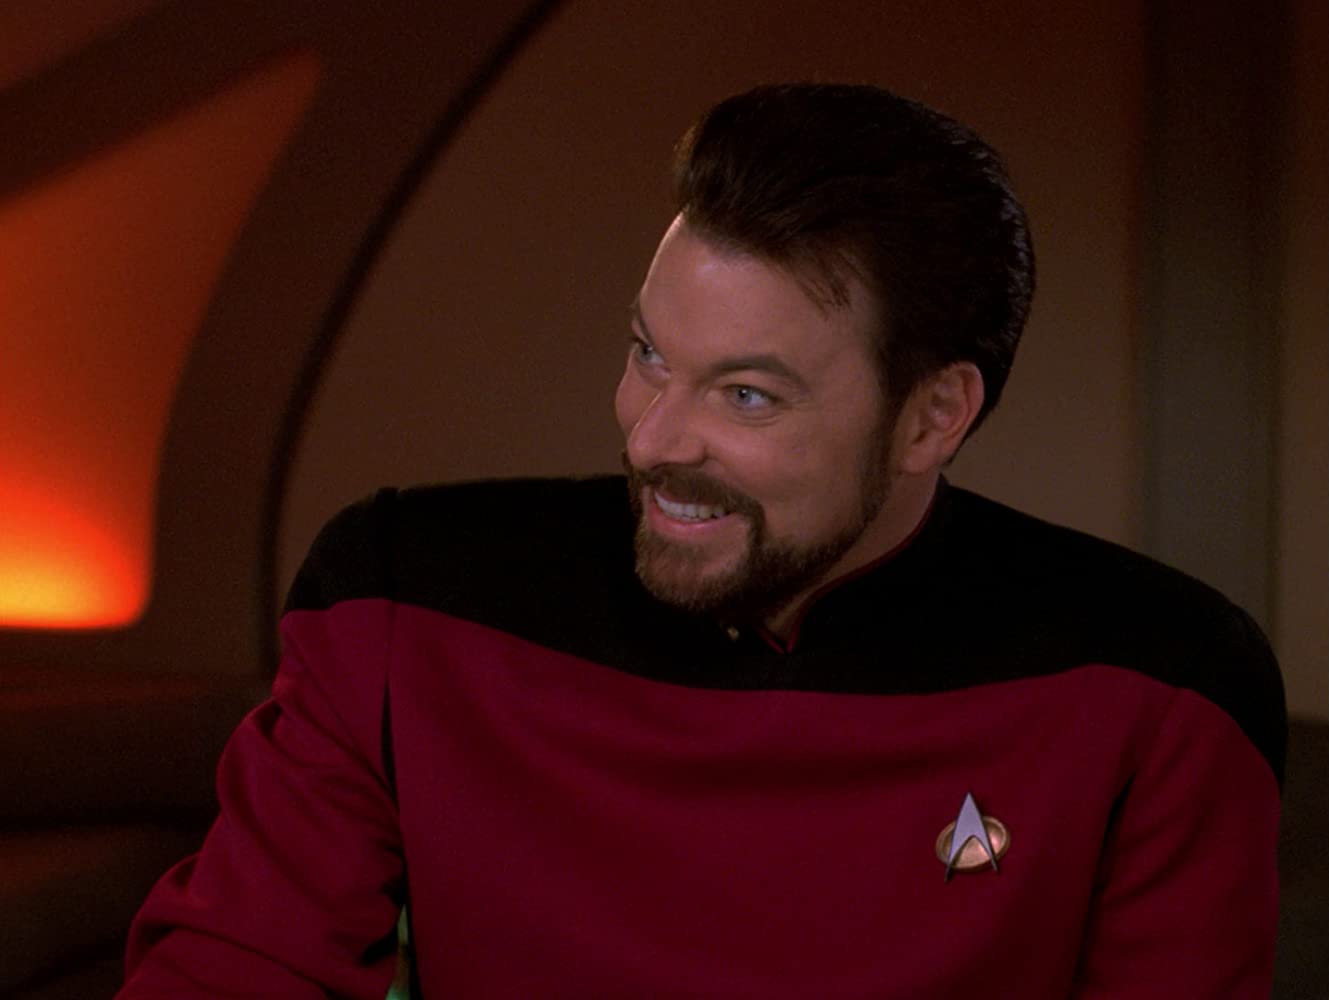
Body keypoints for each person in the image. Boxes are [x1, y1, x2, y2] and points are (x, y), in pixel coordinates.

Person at [119, 83, 1285, 997]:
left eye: (748, 396)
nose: (652, 438)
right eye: (650, 356)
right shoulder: (397, 598)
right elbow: (229, 974)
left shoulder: (1163, 687)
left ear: (934, 416)